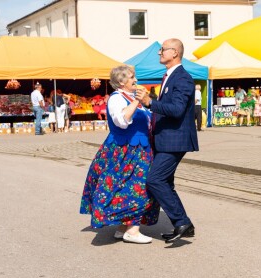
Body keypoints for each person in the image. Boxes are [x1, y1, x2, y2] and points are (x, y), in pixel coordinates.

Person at [79, 65, 159, 244]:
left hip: (140, 149)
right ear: (122, 81)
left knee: (128, 187)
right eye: (131, 77)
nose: (135, 80)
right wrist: (137, 101)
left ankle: (123, 226)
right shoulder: (116, 98)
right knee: (137, 187)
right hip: (124, 151)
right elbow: (121, 121)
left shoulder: (129, 97)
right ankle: (132, 231)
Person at [136, 38, 199, 243]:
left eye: (163, 50)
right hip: (165, 139)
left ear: (175, 53)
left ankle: (182, 222)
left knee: (155, 179)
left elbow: (177, 109)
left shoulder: (183, 78)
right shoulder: (169, 76)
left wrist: (150, 103)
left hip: (175, 140)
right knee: (166, 182)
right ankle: (182, 224)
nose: (159, 53)